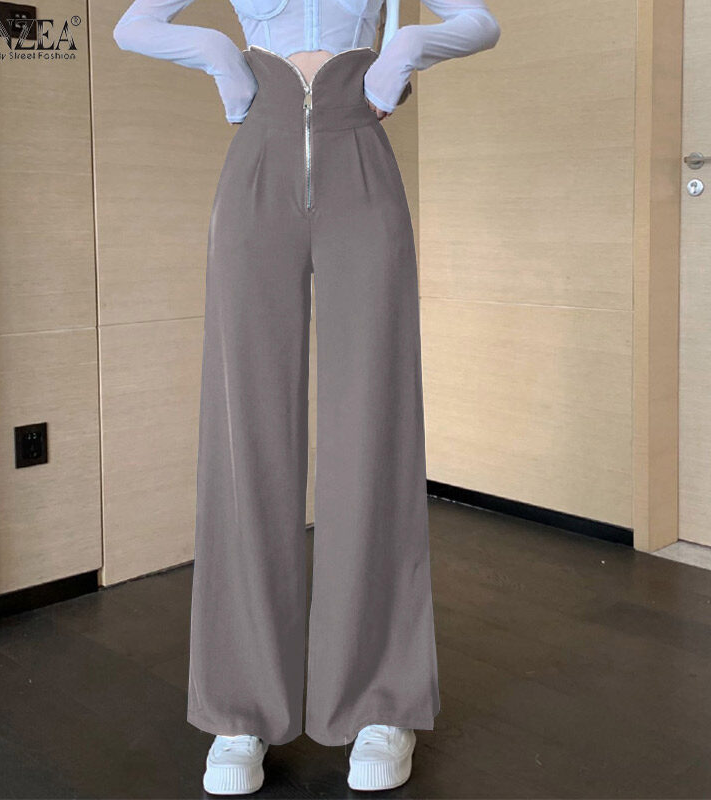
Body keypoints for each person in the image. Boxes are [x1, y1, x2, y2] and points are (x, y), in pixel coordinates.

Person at [112, 0, 500, 793]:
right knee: (245, 431)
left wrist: (407, 48)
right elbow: (133, 25)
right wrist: (219, 55)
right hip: (258, 160)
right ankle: (240, 709)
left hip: (362, 157)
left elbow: (480, 21)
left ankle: (379, 701)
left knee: (375, 426)